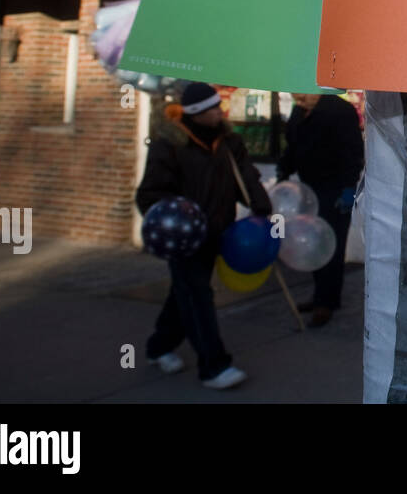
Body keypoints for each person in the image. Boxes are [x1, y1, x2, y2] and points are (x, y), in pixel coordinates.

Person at [136, 81, 272, 390]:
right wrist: (172, 219)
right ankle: (214, 367)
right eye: (212, 108)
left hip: (218, 231)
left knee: (183, 294)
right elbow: (150, 193)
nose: (219, 111)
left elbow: (246, 178)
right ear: (196, 113)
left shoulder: (228, 141)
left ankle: (158, 347)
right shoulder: (169, 144)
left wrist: (261, 209)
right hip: (184, 239)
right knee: (197, 295)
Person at [276, 92, 364, 328]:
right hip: (308, 186)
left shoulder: (339, 110)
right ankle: (319, 296)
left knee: (331, 244)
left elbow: (353, 152)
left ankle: (327, 302)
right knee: (313, 242)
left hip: (335, 188)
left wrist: (348, 190)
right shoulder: (298, 110)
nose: (297, 98)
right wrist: (283, 170)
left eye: (301, 94)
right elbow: (292, 145)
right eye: (294, 95)